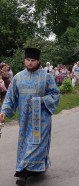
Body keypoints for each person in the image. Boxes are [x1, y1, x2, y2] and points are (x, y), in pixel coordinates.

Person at [0, 47, 60, 186]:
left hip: (42, 118)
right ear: (24, 60)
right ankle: (35, 168)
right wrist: (4, 111)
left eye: (33, 60)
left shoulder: (47, 77)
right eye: (27, 60)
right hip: (25, 119)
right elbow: (10, 97)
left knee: (36, 143)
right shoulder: (18, 77)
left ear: (38, 61)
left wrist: (42, 100)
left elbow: (55, 94)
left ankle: (24, 172)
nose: (30, 63)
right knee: (26, 143)